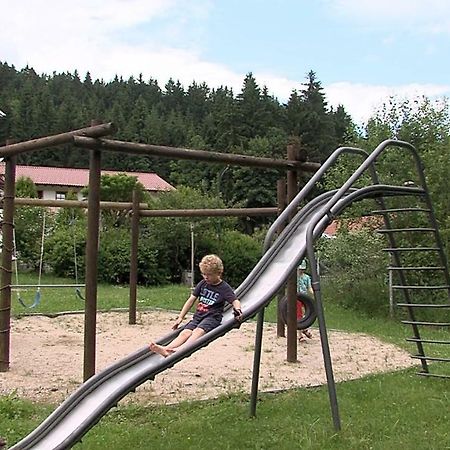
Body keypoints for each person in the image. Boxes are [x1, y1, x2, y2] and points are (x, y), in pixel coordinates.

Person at [150, 254, 243, 357]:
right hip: (198, 316)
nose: (206, 277)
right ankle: (167, 349)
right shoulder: (203, 284)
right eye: (204, 274)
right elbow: (191, 300)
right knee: (185, 333)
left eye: (209, 274)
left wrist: (238, 310)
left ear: (219, 273)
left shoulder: (224, 288)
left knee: (197, 332)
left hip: (212, 318)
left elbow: (235, 301)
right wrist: (180, 317)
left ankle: (179, 350)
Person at [297, 259, 313, 343]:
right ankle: (301, 334)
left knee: (304, 315)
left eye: (302, 269)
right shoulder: (295, 277)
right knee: (299, 316)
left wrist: (313, 294)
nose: (301, 271)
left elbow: (309, 287)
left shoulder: (306, 277)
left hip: (304, 298)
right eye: (300, 269)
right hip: (296, 298)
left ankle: (304, 329)